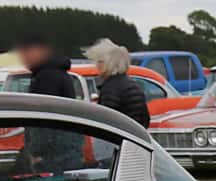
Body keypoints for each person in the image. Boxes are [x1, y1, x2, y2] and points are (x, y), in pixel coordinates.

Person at [15, 33, 84, 172]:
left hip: (54, 156)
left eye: (26, 53)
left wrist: (37, 151)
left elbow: (44, 119)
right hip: (64, 151)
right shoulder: (55, 73)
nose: (23, 59)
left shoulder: (46, 78)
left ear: (39, 51)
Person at [85, 38, 149, 128]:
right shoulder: (134, 85)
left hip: (118, 139)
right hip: (135, 137)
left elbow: (106, 122)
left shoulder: (110, 89)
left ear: (108, 63)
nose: (96, 65)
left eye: (99, 61)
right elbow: (145, 119)